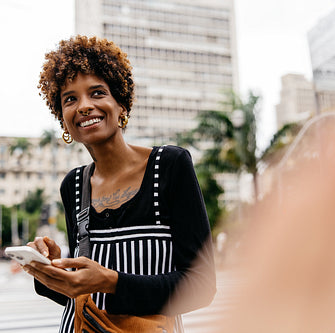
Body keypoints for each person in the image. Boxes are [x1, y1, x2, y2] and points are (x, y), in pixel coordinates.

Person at [22, 35, 216, 333]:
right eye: (70, 99)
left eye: (97, 93)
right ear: (63, 121)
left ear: (121, 104)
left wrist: (112, 282)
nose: (84, 106)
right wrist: (50, 270)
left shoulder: (170, 166)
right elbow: (81, 297)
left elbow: (201, 286)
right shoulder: (73, 185)